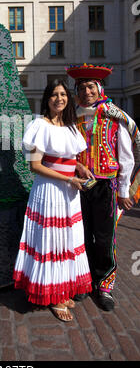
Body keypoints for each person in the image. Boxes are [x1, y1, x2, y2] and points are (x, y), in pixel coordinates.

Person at [13, 79, 93, 322]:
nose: (59, 98)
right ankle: (54, 296)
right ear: (47, 99)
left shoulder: (70, 127)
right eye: (54, 95)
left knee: (67, 240)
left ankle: (60, 289)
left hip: (69, 192)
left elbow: (68, 157)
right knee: (52, 241)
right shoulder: (38, 125)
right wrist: (67, 179)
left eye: (63, 94)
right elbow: (35, 165)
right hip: (49, 191)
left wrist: (79, 167)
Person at [66, 63, 140, 311]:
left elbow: (126, 154)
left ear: (99, 88)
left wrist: (123, 190)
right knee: (81, 235)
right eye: (82, 87)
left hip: (106, 185)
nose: (87, 92)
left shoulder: (113, 115)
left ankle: (105, 285)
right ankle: (85, 281)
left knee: (106, 237)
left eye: (90, 87)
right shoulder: (71, 116)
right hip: (79, 186)